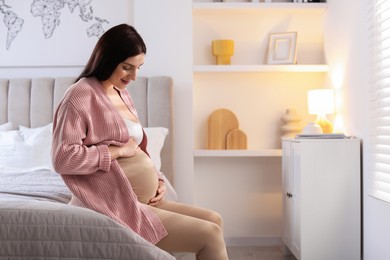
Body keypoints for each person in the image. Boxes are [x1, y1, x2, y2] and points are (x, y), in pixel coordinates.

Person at [51, 23, 229, 260]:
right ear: (107, 60)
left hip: (138, 198)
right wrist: (116, 151)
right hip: (112, 203)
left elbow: (139, 147)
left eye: (138, 68)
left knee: (214, 219)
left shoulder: (120, 91)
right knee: (209, 234)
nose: (134, 76)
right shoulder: (80, 95)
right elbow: (64, 158)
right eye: (127, 67)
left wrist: (158, 179)